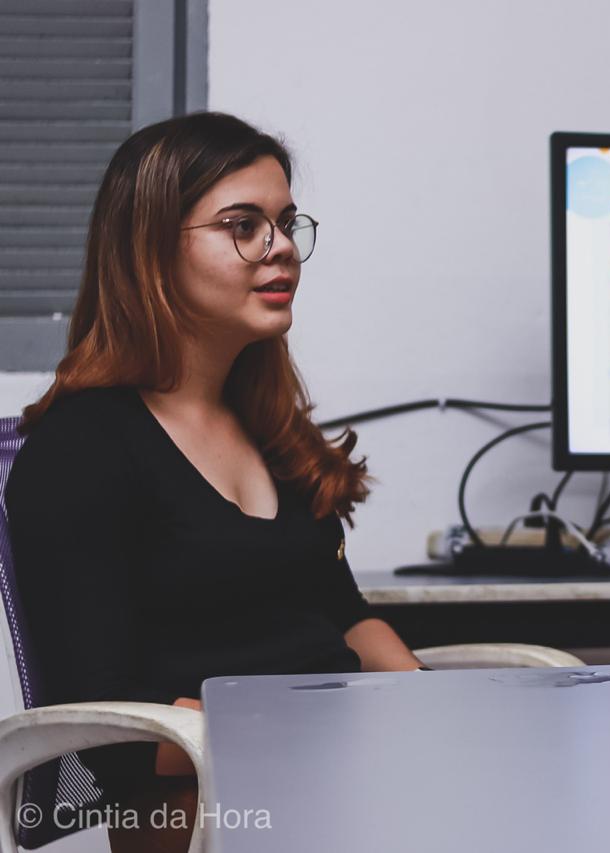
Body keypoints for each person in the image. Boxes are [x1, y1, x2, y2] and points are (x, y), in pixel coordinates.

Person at [3, 112, 424, 853]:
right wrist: (304, 732)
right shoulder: (81, 450)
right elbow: (105, 723)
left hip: (343, 780)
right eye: (243, 226)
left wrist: (438, 709)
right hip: (212, 812)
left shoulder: (273, 431)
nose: (281, 246)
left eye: (285, 223)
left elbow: (346, 618)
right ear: (151, 251)